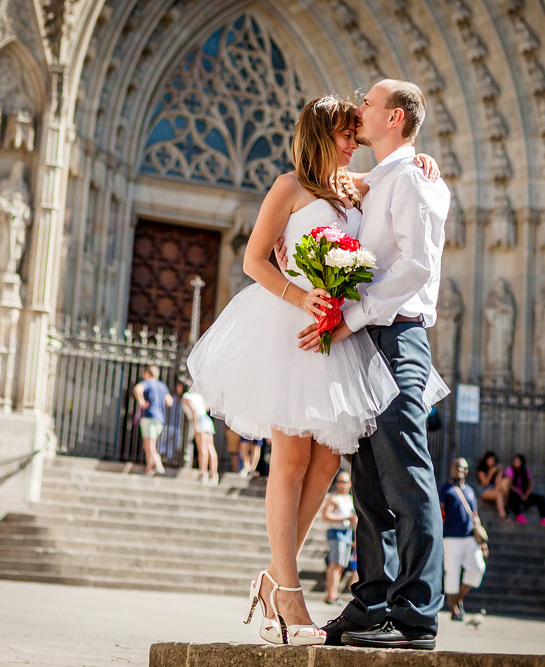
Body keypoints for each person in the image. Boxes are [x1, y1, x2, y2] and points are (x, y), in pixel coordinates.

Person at [188, 93, 443, 646]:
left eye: (357, 133)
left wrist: (424, 161)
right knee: (293, 456)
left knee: (329, 461)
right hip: (291, 323)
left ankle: (274, 580)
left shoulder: (358, 186)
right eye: (345, 135)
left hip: (339, 332)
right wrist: (298, 297)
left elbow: (409, 185)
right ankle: (288, 590)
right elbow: (254, 259)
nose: (353, 144)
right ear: (320, 134)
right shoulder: (288, 186)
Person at [308, 79, 452, 651]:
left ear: (393, 116)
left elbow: (417, 265)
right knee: (369, 481)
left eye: (366, 103)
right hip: (370, 338)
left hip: (394, 338)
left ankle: (417, 614)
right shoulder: (391, 177)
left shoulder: (413, 179)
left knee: (406, 477)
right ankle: (372, 602)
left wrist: (355, 315)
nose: (358, 109)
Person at [438, 458, 487, 622]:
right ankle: (454, 609)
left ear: (467, 471)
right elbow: (439, 512)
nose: (460, 469)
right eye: (457, 466)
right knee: (452, 571)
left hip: (469, 537)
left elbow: (475, 515)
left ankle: (458, 598)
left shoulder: (470, 491)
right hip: (451, 538)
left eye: (463, 467)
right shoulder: (446, 489)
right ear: (451, 469)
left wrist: (483, 541)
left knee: (478, 567)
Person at [132, 365, 173, 476]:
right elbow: (169, 401)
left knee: (150, 444)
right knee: (148, 444)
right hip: (160, 419)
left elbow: (137, 389)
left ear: (147, 373)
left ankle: (158, 464)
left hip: (149, 416)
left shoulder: (148, 382)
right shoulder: (162, 386)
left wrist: (141, 401)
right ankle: (149, 469)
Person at [322, 472, 356, 605]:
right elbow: (325, 516)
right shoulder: (333, 498)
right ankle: (330, 594)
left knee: (341, 565)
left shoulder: (349, 499)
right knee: (335, 565)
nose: (342, 484)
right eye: (340, 481)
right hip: (336, 532)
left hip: (346, 533)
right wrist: (345, 518)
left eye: (344, 482)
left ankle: (333, 594)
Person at [177, 380, 218, 485]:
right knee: (210, 448)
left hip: (199, 420)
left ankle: (202, 473)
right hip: (207, 420)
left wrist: (195, 426)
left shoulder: (186, 397)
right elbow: (207, 408)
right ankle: (213, 474)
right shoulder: (198, 396)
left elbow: (194, 411)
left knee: (202, 449)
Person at [503, 454, 545, 526]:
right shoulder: (510, 470)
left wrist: (526, 494)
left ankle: (544, 518)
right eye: (515, 461)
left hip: (524, 495)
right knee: (515, 497)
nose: (516, 463)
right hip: (514, 495)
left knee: (540, 499)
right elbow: (510, 485)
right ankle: (518, 515)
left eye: (518, 462)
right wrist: (519, 493)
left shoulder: (526, 472)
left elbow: (529, 485)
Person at [475, 451, 508, 521]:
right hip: (484, 490)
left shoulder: (495, 469)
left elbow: (498, 484)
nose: (492, 462)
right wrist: (491, 473)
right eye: (490, 460)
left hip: (493, 489)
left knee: (505, 482)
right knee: (499, 495)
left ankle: (505, 503)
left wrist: (500, 472)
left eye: (493, 461)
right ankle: (503, 516)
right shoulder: (481, 470)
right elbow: (484, 483)